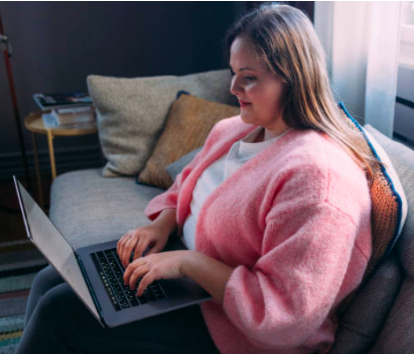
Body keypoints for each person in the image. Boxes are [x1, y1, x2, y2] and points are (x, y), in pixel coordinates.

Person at [16, 4, 379, 354]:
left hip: (234, 329)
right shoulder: (234, 129)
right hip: (186, 281)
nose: (233, 88)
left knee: (59, 314)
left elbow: (284, 317)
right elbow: (186, 184)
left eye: (249, 78)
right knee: (51, 279)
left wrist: (187, 263)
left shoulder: (317, 180)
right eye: (233, 72)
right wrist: (162, 224)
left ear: (294, 79)